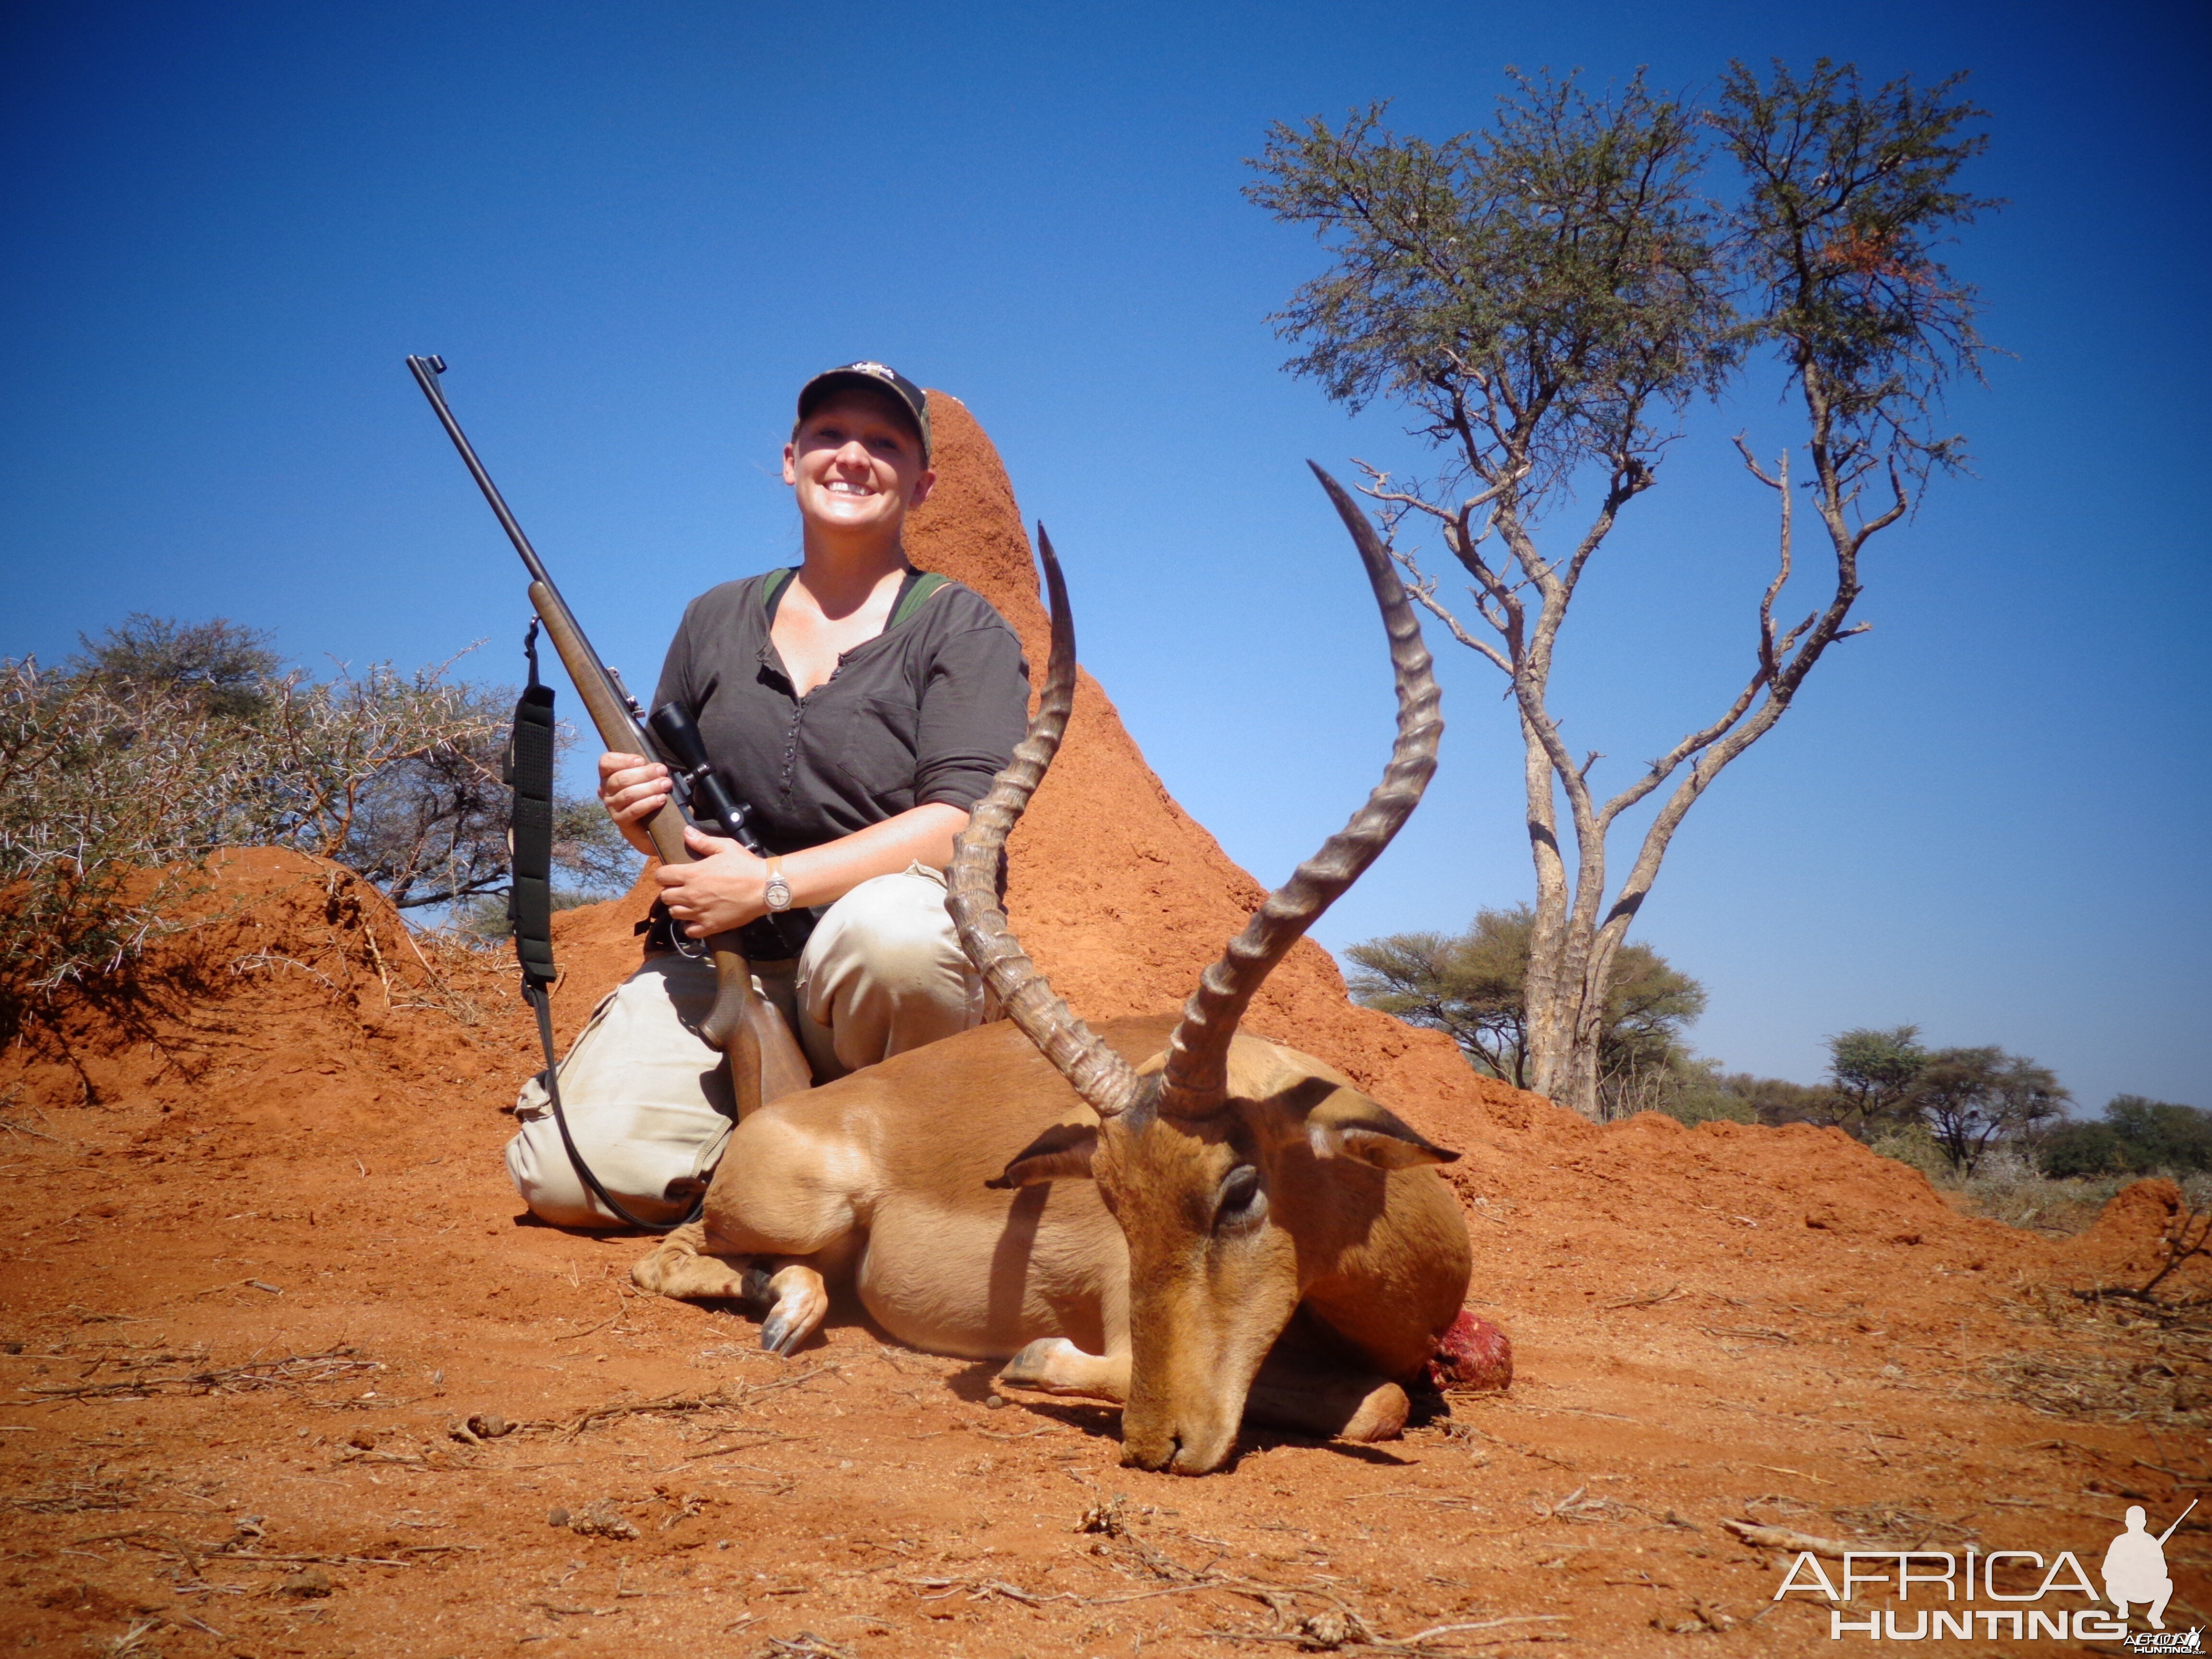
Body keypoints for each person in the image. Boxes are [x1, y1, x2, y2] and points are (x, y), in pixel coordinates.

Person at [505, 362, 1031, 1228]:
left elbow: (961, 826)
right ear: (792, 460)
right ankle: (775, 1155)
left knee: (897, 935)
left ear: (924, 483)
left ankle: (906, 1170)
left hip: (869, 979)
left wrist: (772, 882)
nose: (853, 457)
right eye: (830, 436)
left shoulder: (962, 627)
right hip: (717, 968)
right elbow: (680, 834)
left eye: (886, 443)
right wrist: (642, 811)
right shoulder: (714, 616)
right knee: (572, 1182)